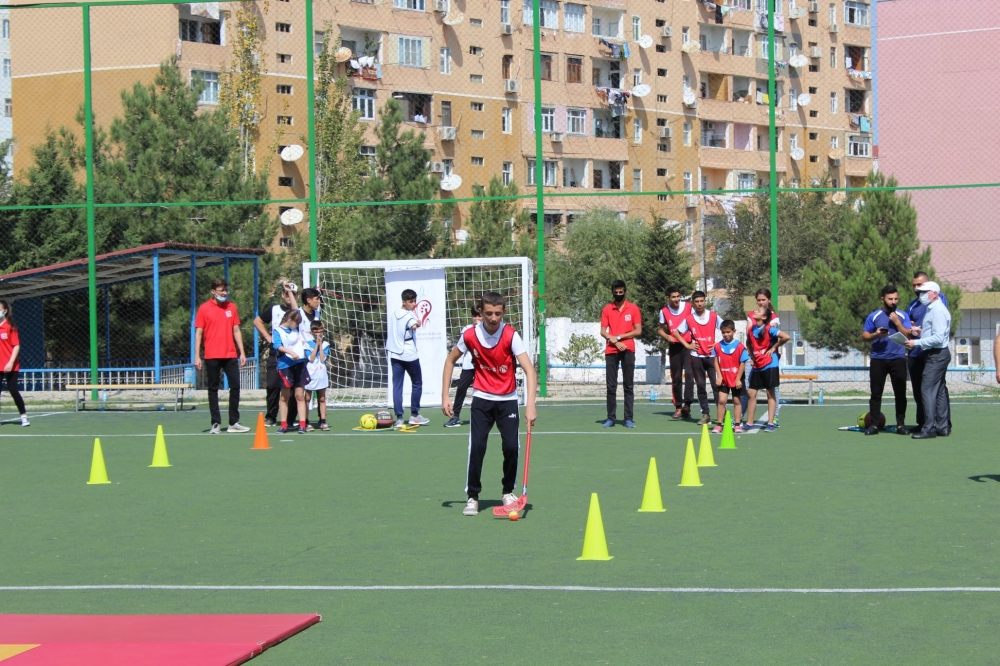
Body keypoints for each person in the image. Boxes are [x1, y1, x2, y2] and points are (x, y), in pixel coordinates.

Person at [440, 291, 537, 517]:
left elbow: (529, 370)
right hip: (482, 399)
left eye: (498, 313)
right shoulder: (470, 335)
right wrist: (445, 396)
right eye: (489, 313)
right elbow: (450, 360)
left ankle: (508, 492)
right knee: (477, 448)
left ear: (504, 312)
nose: (494, 318)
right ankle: (472, 496)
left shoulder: (511, 335)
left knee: (512, 447)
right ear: (481, 312)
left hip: (508, 400)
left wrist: (530, 404)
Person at [194, 278, 249, 434]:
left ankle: (233, 422)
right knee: (213, 389)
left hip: (230, 354)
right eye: (221, 290)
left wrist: (242, 352)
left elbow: (236, 330)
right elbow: (199, 333)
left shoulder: (232, 307)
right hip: (211, 355)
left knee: (235, 386)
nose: (224, 293)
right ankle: (216, 423)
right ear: (213, 291)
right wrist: (197, 356)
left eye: (226, 290)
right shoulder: (204, 309)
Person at [861, 285, 912, 436]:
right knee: (876, 393)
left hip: (898, 359)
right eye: (890, 299)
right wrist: (876, 334)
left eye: (896, 299)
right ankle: (874, 425)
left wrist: (897, 323)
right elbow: (864, 336)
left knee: (900, 393)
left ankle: (900, 425)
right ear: (882, 299)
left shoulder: (902, 316)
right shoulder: (874, 316)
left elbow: (908, 334)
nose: (893, 302)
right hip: (878, 359)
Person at [906, 281, 951, 439]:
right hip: (936, 354)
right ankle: (942, 427)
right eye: (920, 292)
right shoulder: (932, 309)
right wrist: (921, 331)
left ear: (935, 294)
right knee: (938, 391)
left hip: (936, 355)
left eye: (925, 292)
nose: (921, 295)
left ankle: (928, 428)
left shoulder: (937, 310)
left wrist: (915, 342)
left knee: (927, 390)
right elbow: (935, 332)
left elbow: (938, 338)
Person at [253, 281, 299, 427]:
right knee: (273, 385)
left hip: (293, 353)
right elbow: (257, 321)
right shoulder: (274, 310)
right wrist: (268, 336)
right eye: (286, 293)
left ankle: (290, 419)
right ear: (282, 295)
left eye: (292, 293)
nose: (288, 296)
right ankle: (271, 416)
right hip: (276, 352)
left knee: (292, 388)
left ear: (296, 295)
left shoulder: (297, 312)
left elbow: (297, 311)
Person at [673, 290, 721, 425]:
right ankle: (705, 414)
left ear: (705, 301)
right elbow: (676, 332)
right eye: (697, 302)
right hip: (696, 357)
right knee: (700, 386)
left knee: (716, 385)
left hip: (712, 356)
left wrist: (717, 345)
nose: (699, 304)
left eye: (701, 301)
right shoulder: (689, 319)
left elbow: (726, 328)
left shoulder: (713, 316)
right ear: (693, 304)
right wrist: (687, 345)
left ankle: (721, 414)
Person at [600, 280, 641, 428]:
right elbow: (603, 331)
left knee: (628, 386)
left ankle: (628, 418)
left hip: (628, 349)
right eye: (616, 292)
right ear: (612, 292)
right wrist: (615, 342)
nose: (618, 294)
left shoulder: (633, 309)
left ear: (625, 291)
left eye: (621, 292)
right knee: (611, 386)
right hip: (611, 350)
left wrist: (619, 337)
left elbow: (638, 330)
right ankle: (611, 418)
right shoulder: (607, 309)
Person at [387, 288, 429, 429]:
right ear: (404, 301)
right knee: (417, 382)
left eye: (415, 301)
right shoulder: (408, 315)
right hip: (409, 354)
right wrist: (416, 324)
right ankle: (414, 414)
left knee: (397, 386)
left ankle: (399, 418)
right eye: (411, 301)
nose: (414, 304)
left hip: (395, 354)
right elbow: (413, 325)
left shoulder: (394, 314)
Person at [744, 306, 790, 432]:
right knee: (751, 393)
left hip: (770, 364)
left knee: (770, 393)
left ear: (764, 317)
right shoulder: (751, 329)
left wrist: (774, 347)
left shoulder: (770, 329)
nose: (755, 311)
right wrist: (752, 356)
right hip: (757, 364)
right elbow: (748, 343)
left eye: (759, 311)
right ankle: (749, 422)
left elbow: (786, 337)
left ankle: (770, 423)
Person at [741, 288, 780, 418]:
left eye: (763, 300)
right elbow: (750, 335)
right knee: (750, 389)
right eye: (759, 300)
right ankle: (741, 416)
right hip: (755, 358)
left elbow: (769, 335)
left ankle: (774, 418)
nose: (761, 302)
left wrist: (773, 349)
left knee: (772, 390)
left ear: (769, 300)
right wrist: (752, 355)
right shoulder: (752, 315)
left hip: (769, 359)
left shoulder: (773, 317)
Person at [657, 286, 694, 420]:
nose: (677, 299)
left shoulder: (689, 307)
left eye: (678, 296)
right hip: (675, 348)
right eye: (673, 297)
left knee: (690, 375)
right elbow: (660, 330)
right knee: (676, 377)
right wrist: (667, 337)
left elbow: (695, 321)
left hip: (689, 346)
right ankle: (678, 406)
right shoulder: (664, 311)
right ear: (668, 298)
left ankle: (687, 405)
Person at [444, 305, 482, 428]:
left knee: (482, 391)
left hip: (482, 366)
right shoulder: (467, 329)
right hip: (468, 366)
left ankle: (487, 416)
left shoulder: (487, 330)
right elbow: (463, 345)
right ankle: (456, 416)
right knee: (461, 389)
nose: (477, 318)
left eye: (479, 316)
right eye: (474, 316)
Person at [274, 310, 310, 434]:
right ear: (289, 321)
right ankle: (283, 425)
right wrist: (291, 352)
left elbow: (296, 309)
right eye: (296, 322)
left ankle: (302, 425)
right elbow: (278, 346)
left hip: (299, 364)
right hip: (285, 366)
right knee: (285, 396)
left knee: (299, 395)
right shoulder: (278, 331)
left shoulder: (296, 329)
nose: (297, 325)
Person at [712, 319, 748, 433]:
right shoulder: (717, 346)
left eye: (728, 332)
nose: (726, 335)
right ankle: (719, 424)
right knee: (721, 401)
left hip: (736, 378)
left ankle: (737, 424)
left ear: (734, 331)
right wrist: (719, 376)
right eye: (723, 332)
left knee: (737, 401)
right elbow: (715, 361)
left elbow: (742, 363)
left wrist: (738, 379)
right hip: (724, 378)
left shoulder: (740, 346)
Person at [0, 300, 28, 427]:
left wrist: (10, 362)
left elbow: (16, 346)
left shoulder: (11, 327)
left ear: (4, 311)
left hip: (11, 364)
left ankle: (23, 416)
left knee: (13, 390)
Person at [303, 319, 331, 431]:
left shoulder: (326, 344)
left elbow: (323, 359)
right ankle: (305, 421)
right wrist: (316, 345)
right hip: (310, 373)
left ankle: (323, 421)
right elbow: (311, 358)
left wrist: (320, 345)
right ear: (311, 332)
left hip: (321, 373)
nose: (318, 333)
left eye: (320, 331)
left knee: (322, 398)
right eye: (315, 331)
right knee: (307, 398)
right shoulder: (307, 344)